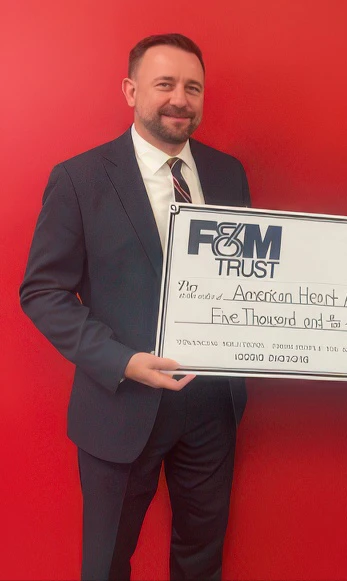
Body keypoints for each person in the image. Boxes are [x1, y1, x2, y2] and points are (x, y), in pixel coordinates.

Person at [20, 34, 250, 580]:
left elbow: (248, 276)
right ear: (130, 91)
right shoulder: (79, 179)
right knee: (106, 564)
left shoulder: (228, 173)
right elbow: (43, 291)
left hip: (211, 405)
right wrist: (122, 361)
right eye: (164, 84)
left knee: (202, 559)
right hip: (120, 403)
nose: (180, 99)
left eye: (193, 88)